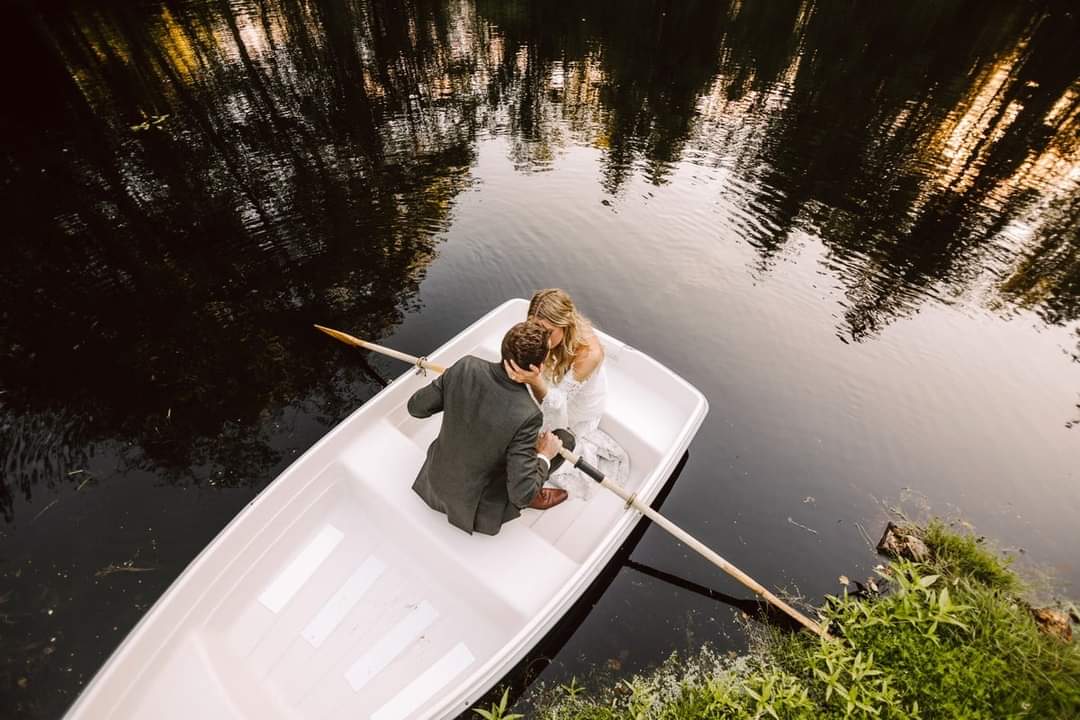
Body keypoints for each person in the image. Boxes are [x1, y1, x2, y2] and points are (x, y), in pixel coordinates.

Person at [407, 320, 575, 535]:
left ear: (503, 348)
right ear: (540, 367)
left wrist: (450, 382)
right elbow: (521, 496)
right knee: (565, 440)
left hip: (433, 481)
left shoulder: (465, 366)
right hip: (472, 510)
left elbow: (416, 408)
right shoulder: (529, 414)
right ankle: (536, 489)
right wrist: (544, 455)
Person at [505, 289, 628, 498]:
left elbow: (558, 408)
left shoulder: (589, 354)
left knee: (540, 435)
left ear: (565, 325)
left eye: (547, 332)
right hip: (552, 385)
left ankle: (532, 486)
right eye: (535, 328)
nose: (541, 340)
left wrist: (534, 381)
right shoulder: (552, 336)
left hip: (576, 406)